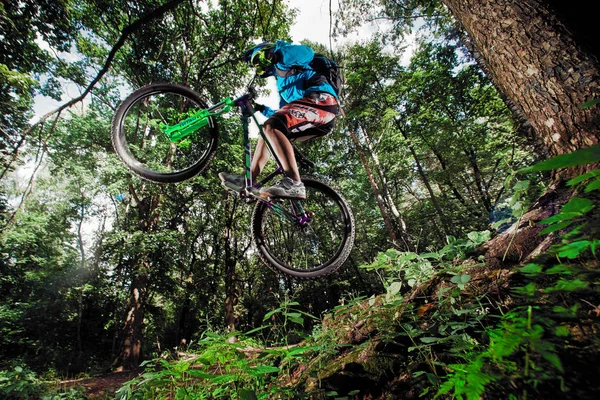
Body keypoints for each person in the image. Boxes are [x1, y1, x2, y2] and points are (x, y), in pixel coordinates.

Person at [219, 40, 341, 199]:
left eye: (258, 59)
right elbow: (282, 115)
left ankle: (294, 183)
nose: (259, 66)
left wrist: (278, 55)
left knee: (271, 127)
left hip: (323, 102)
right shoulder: (282, 85)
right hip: (314, 116)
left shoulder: (287, 55)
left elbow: (307, 52)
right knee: (267, 131)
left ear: (267, 51)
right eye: (255, 65)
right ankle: (248, 180)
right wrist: (260, 108)